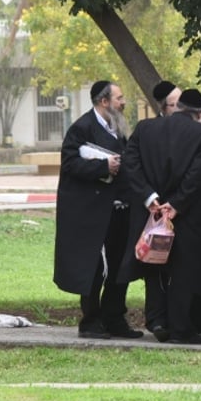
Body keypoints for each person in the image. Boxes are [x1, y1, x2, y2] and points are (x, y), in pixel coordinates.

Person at [119, 89, 201, 344]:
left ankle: (158, 319)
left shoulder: (144, 129)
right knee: (185, 271)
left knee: (155, 268)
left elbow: (131, 163)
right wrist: (175, 204)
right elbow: (196, 175)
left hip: (151, 212)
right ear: (200, 113)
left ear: (178, 106)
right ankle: (181, 328)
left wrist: (150, 198)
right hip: (187, 215)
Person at [52, 81, 142, 340]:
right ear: (104, 101)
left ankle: (115, 318)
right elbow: (70, 164)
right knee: (95, 268)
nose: (123, 102)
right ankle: (91, 320)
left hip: (121, 211)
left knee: (119, 268)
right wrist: (103, 167)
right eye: (119, 98)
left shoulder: (118, 128)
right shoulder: (81, 128)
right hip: (93, 213)